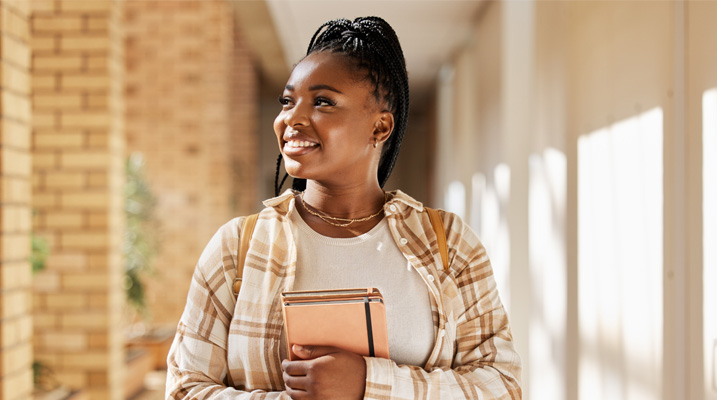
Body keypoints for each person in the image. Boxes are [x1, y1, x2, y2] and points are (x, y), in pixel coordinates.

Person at [166, 16, 521, 400]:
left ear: (380, 127)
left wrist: (369, 383)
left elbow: (502, 386)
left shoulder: (448, 246)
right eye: (288, 101)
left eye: (322, 102)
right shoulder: (237, 248)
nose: (291, 119)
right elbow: (184, 390)